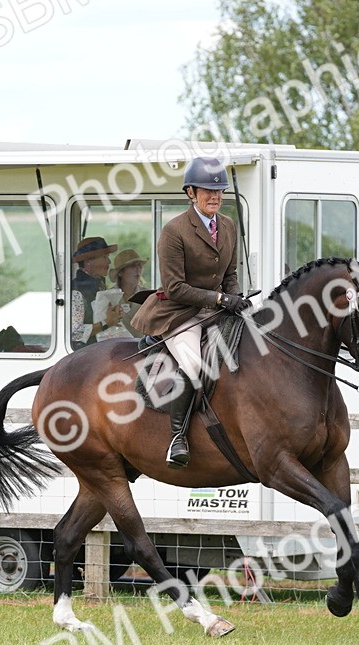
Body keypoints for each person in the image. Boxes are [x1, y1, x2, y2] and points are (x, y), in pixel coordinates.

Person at [131, 156, 247, 468]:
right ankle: (177, 438)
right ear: (190, 193)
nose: (215, 196)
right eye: (208, 190)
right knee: (194, 364)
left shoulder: (229, 226)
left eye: (219, 191)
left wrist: (238, 300)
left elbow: (230, 276)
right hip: (179, 313)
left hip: (216, 309)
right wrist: (222, 300)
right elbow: (175, 287)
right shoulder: (175, 231)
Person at [69, 236, 124, 349]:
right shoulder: (77, 292)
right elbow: (75, 333)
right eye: (104, 257)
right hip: (83, 356)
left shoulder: (99, 285)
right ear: (88, 262)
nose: (109, 262)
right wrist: (106, 323)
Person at [96, 249, 148, 341]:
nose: (138, 269)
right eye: (132, 266)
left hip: (144, 349)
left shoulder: (147, 295)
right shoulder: (108, 297)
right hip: (116, 350)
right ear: (120, 272)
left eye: (139, 266)